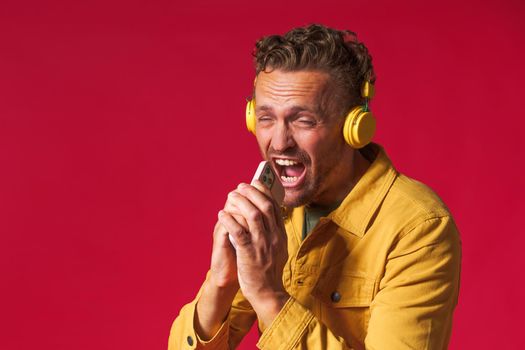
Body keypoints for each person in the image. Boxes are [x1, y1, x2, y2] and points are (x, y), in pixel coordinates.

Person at [168, 24, 461, 349]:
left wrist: (269, 296)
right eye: (266, 118)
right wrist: (221, 283)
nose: (279, 142)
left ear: (354, 127)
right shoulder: (268, 210)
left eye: (303, 121)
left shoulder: (418, 228)